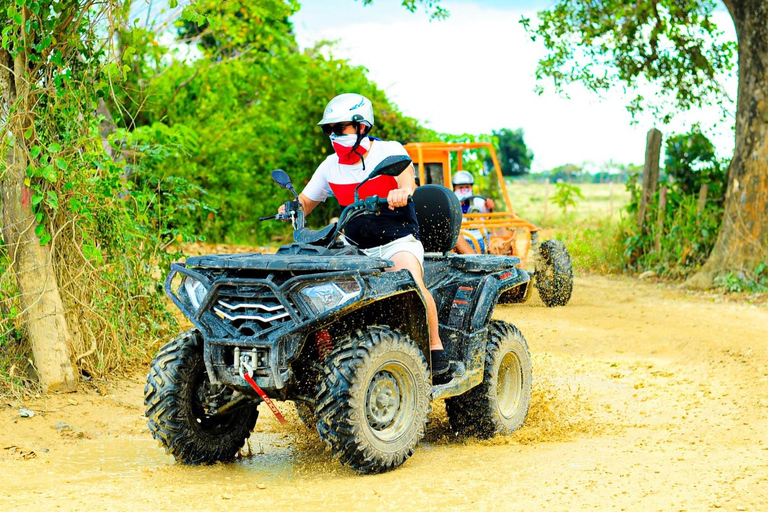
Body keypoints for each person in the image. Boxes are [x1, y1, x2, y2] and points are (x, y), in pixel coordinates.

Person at [279, 93, 452, 378]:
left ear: (361, 127)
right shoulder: (329, 166)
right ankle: (323, 350)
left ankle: (435, 347)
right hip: (354, 248)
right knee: (314, 284)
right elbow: (306, 202)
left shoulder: (389, 152)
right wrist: (292, 208)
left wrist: (402, 192)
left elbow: (408, 180)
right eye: (329, 130)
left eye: (340, 128)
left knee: (409, 277)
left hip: (397, 243)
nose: (334, 135)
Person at [452, 170, 495, 254]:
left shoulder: (478, 201)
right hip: (464, 240)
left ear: (471, 187)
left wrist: (488, 207)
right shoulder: (451, 203)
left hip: (482, 238)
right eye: (461, 188)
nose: (464, 190)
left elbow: (487, 215)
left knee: (499, 238)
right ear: (455, 188)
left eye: (467, 187)